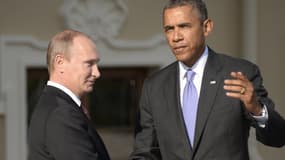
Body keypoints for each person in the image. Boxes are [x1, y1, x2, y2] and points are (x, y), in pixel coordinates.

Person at [129, 0, 285, 159]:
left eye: (184, 26)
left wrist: (256, 108)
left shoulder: (239, 74)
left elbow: (278, 137)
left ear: (206, 27)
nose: (176, 37)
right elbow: (145, 152)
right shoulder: (154, 86)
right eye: (169, 29)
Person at [28, 29, 110, 160]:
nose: (97, 73)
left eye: (96, 64)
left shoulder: (57, 106)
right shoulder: (61, 113)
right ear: (60, 63)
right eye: (89, 64)